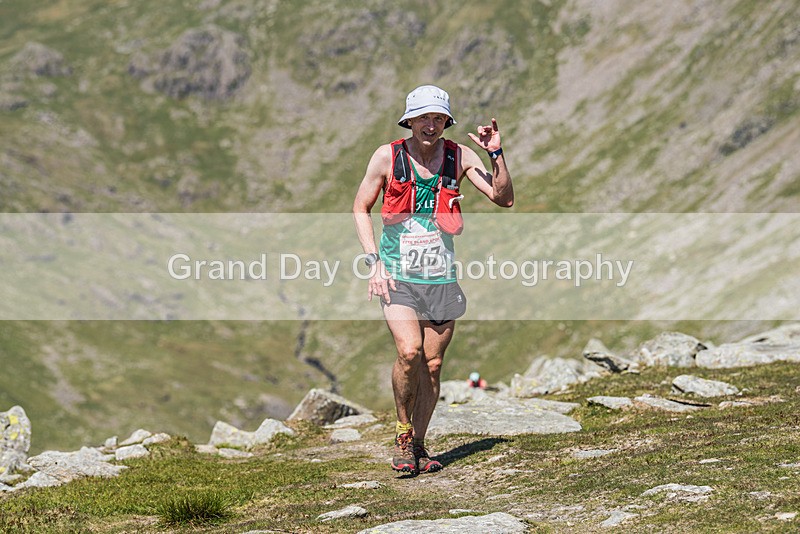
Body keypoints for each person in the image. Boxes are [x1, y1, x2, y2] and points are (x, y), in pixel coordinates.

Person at [352, 85, 513, 474]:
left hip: (440, 278)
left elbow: (503, 197)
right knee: (410, 352)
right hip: (398, 275)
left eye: (438, 118)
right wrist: (374, 262)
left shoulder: (459, 156)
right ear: (409, 120)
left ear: (446, 122)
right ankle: (403, 433)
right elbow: (360, 207)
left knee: (434, 363)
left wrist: (495, 154)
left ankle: (419, 445)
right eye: (423, 117)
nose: (431, 125)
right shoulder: (387, 157)